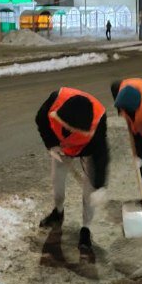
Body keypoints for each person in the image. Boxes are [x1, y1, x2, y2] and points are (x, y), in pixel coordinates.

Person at [35, 87, 109, 253]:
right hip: (60, 148)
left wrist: (99, 185)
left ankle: (85, 229)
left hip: (87, 150)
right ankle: (58, 212)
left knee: (89, 193)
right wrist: (51, 144)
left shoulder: (98, 120)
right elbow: (40, 119)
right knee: (57, 185)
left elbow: (101, 154)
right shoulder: (55, 100)